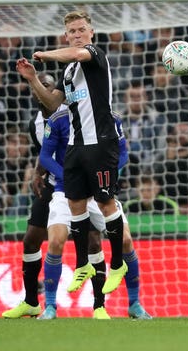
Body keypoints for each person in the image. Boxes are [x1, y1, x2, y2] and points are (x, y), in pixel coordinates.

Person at [16, 10, 126, 295]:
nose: (77, 34)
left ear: (91, 33)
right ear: (66, 36)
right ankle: (83, 265)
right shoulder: (68, 72)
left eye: (81, 29)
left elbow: (77, 54)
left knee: (105, 204)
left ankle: (117, 265)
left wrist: (46, 54)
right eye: (72, 32)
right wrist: (32, 79)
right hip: (77, 146)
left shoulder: (94, 54)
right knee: (75, 204)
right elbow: (53, 104)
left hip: (100, 142)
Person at [36, 108, 151, 320]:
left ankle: (135, 304)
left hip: (99, 189)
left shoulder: (111, 118)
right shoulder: (58, 120)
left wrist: (107, 175)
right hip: (66, 191)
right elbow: (45, 156)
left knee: (125, 240)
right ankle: (50, 306)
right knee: (56, 241)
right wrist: (71, 178)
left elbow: (123, 153)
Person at [1, 73, 61, 318]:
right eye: (38, 86)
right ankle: (31, 300)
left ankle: (99, 306)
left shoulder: (71, 113)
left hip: (78, 184)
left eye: (46, 85)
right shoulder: (34, 123)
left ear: (56, 90)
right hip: (53, 183)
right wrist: (38, 173)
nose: (41, 89)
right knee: (31, 240)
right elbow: (45, 153)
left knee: (91, 242)